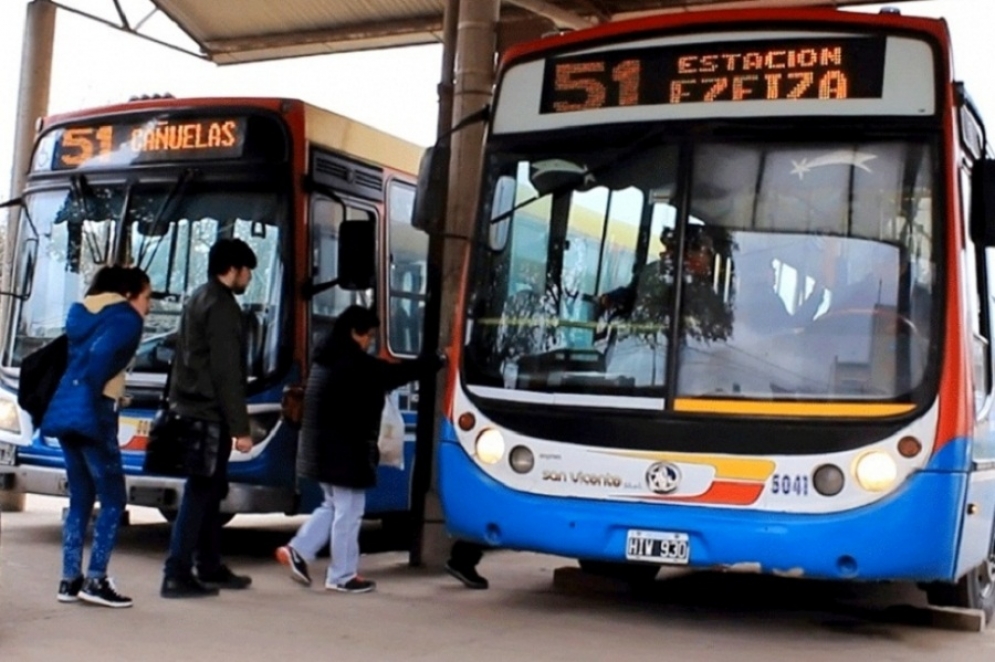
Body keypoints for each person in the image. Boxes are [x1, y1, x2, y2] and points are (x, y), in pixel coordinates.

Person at [275, 305, 444, 593]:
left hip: (320, 449)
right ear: (355, 333)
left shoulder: (326, 358)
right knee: (350, 511)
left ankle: (299, 550)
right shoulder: (353, 363)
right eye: (368, 336)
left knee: (333, 505)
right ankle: (342, 576)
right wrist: (438, 360)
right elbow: (396, 375)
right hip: (344, 451)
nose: (370, 342)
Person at [41, 265, 152, 608]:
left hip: (66, 410)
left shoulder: (82, 313)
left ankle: (69, 579)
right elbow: (101, 360)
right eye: (147, 297)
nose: (148, 306)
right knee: (114, 498)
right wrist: (96, 392)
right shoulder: (126, 320)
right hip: (96, 412)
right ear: (129, 293)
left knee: (80, 497)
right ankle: (96, 578)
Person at [160, 238, 257, 598]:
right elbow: (227, 372)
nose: (248, 278)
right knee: (201, 493)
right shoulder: (222, 306)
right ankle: (177, 572)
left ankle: (209, 565)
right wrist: (241, 429)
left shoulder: (199, 297)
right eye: (247, 270)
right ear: (232, 269)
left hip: (190, 409)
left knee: (210, 491)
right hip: (207, 413)